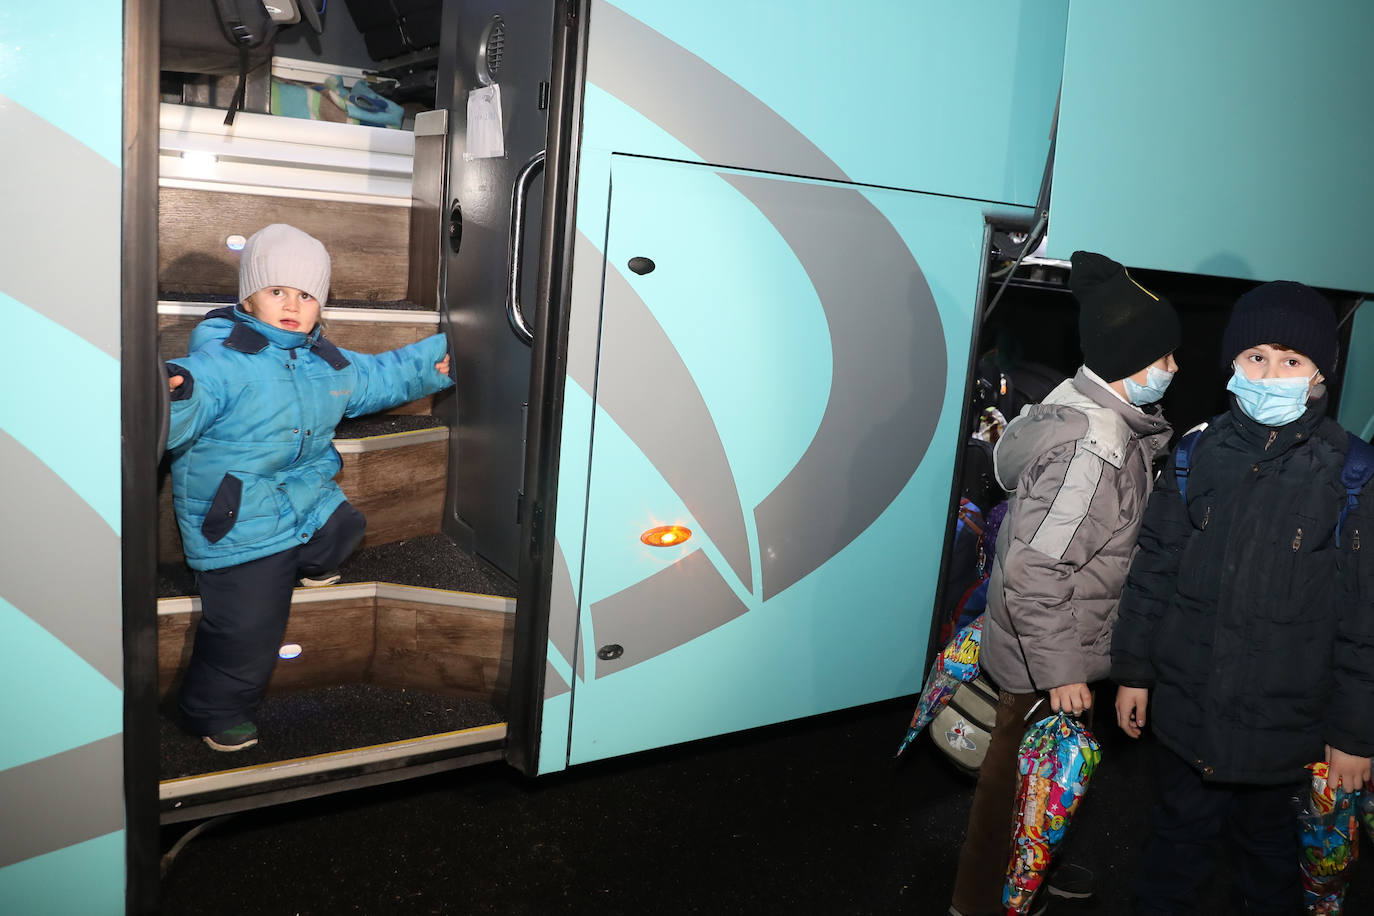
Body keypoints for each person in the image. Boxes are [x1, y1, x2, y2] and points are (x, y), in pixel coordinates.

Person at [1111, 280, 1374, 914]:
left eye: (1290, 360)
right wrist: (1134, 673)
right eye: (1256, 356)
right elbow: (1154, 572)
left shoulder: (1352, 474)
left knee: (1269, 871)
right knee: (1171, 860)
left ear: (1318, 375)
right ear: (1232, 362)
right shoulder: (1193, 453)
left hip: (1287, 735)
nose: (1271, 373)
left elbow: (1364, 620)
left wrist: (1355, 735)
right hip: (1188, 716)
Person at [949, 251, 1180, 916]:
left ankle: (1032, 870)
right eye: (1164, 358)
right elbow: (1034, 569)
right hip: (1044, 653)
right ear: (1127, 362)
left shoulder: (1074, 399)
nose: (1173, 369)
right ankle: (980, 902)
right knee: (1010, 785)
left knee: (1037, 779)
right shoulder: (1093, 451)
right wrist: (1060, 672)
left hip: (1047, 642)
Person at [164, 223, 454, 752]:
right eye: (277, 291)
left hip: (303, 495)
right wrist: (172, 396)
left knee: (347, 526)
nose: (292, 305)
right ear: (249, 297)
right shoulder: (221, 361)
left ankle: (312, 563)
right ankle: (215, 710)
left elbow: (380, 377)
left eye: (306, 295)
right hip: (238, 518)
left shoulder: (324, 359)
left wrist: (439, 360)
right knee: (248, 626)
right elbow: (191, 396)